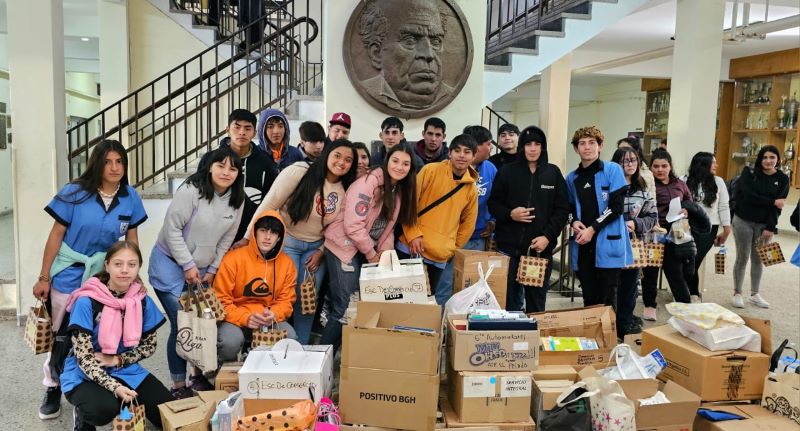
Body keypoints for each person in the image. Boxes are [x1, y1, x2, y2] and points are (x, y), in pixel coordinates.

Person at [33, 140, 147, 421]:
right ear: (97, 164)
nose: (114, 168)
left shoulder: (130, 197)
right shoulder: (74, 193)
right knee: (61, 336)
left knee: (95, 335)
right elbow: (56, 235)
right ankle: (53, 386)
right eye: (107, 162)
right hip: (69, 273)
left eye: (119, 162)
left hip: (102, 279)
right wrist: (44, 276)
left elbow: (131, 240)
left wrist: (135, 276)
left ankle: (86, 388)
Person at [149, 147, 245, 398]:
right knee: (182, 324)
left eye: (232, 168)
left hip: (202, 272)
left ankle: (197, 375)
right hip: (169, 266)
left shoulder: (237, 198)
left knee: (202, 324)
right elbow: (172, 229)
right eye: (220, 165)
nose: (226, 172)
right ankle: (178, 386)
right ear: (210, 166)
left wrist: (212, 269)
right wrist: (188, 265)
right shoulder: (191, 191)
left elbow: (227, 238)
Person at [243, 140, 357, 343]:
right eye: (337, 155)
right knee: (283, 295)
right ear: (327, 154)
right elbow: (269, 203)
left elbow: (338, 226)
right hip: (288, 242)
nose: (342, 162)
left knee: (307, 301)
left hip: (315, 249)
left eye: (348, 160)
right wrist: (247, 236)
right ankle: (276, 345)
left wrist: (321, 250)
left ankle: (301, 347)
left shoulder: (346, 188)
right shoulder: (299, 172)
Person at [61, 241, 172, 430]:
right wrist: (115, 387)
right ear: (107, 265)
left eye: (132, 264)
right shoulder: (86, 301)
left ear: (139, 267)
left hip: (124, 369)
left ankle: (123, 402)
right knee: (102, 410)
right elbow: (84, 357)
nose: (125, 270)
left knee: (166, 413)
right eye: (118, 264)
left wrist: (118, 359)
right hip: (84, 371)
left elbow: (149, 346)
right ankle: (83, 415)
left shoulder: (141, 301)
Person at [321, 144, 417, 348]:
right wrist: (372, 254)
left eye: (405, 164)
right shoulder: (369, 182)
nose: (399, 167)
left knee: (358, 308)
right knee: (345, 307)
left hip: (364, 250)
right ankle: (323, 355)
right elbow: (353, 225)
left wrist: (385, 253)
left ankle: (344, 356)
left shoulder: (398, 189)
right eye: (395, 161)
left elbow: (388, 228)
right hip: (343, 247)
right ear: (387, 161)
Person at [488, 126, 569, 313]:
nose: (533, 148)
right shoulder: (507, 172)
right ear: (522, 147)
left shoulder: (553, 173)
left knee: (536, 306)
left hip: (538, 252)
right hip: (508, 251)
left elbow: (562, 209)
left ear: (543, 147)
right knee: (507, 304)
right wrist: (510, 214)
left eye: (537, 144)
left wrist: (547, 237)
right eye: (528, 144)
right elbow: (494, 204)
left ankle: (532, 333)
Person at [397, 134, 478, 305]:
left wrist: (451, 248)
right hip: (410, 246)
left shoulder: (471, 189)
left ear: (473, 157)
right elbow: (409, 203)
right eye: (457, 150)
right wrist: (413, 234)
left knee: (425, 304)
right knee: (399, 300)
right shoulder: (430, 170)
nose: (461, 155)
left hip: (439, 255)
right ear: (450, 153)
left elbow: (468, 224)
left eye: (467, 152)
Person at [214, 210, 298, 362]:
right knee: (229, 343)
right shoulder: (233, 258)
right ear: (254, 232)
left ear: (279, 238)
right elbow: (221, 300)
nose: (267, 237)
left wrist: (274, 314)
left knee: (290, 338)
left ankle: (268, 370)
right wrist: (245, 318)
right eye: (263, 230)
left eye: (273, 233)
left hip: (268, 319)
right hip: (235, 317)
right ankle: (227, 371)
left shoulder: (287, 264)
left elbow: (286, 301)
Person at [566, 126, 632, 308]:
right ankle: (591, 328)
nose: (587, 147)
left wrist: (592, 228)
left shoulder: (612, 170)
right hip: (583, 245)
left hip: (608, 243)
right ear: (576, 149)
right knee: (589, 298)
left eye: (592, 142)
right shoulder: (572, 178)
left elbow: (616, 207)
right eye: (582, 143)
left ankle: (609, 328)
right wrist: (573, 221)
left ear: (600, 146)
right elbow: (568, 207)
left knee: (608, 299)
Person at [358, 0, 453, 111]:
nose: (429, 55)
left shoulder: (451, 96)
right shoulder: (364, 92)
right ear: (376, 54)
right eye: (410, 41)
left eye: (435, 42)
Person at [201, 109, 279, 243]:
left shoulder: (266, 162)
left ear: (254, 133)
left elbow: (270, 199)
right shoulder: (210, 159)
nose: (242, 132)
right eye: (237, 127)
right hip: (212, 235)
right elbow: (200, 194)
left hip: (248, 237)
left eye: (247, 128)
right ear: (227, 130)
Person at [436, 126, 495, 300]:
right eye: (488, 144)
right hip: (449, 238)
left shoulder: (491, 169)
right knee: (445, 286)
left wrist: (493, 220)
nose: (491, 148)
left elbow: (497, 199)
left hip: (477, 238)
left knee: (472, 287)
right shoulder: (444, 169)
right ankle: (441, 316)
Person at [731, 145, 789, 309]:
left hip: (764, 224)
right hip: (743, 220)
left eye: (772, 157)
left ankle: (755, 294)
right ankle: (737, 293)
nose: (768, 161)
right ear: (760, 159)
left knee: (758, 259)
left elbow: (779, 207)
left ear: (778, 159)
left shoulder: (783, 179)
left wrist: (771, 227)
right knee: (742, 256)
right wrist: (772, 201)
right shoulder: (749, 173)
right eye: (765, 157)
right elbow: (748, 196)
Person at [650, 149, 710, 305]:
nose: (660, 170)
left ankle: (685, 305)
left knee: (676, 272)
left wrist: (687, 211)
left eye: (664, 166)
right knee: (651, 273)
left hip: (676, 234)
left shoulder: (680, 184)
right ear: (651, 168)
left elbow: (690, 204)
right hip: (654, 235)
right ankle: (650, 305)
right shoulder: (648, 185)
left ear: (670, 166)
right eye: (656, 166)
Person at [611, 148, 657, 339]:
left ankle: (623, 329)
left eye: (633, 160)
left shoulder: (643, 189)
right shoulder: (609, 187)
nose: (629, 164)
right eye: (625, 161)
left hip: (634, 246)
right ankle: (609, 328)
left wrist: (636, 224)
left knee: (629, 290)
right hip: (611, 245)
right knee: (610, 289)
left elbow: (652, 217)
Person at [684, 152, 731, 302]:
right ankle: (690, 292)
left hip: (709, 228)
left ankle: (692, 293)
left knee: (695, 259)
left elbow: (724, 206)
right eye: (713, 162)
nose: (716, 165)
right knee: (687, 259)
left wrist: (727, 229)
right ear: (703, 164)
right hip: (687, 226)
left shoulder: (719, 182)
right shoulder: (684, 180)